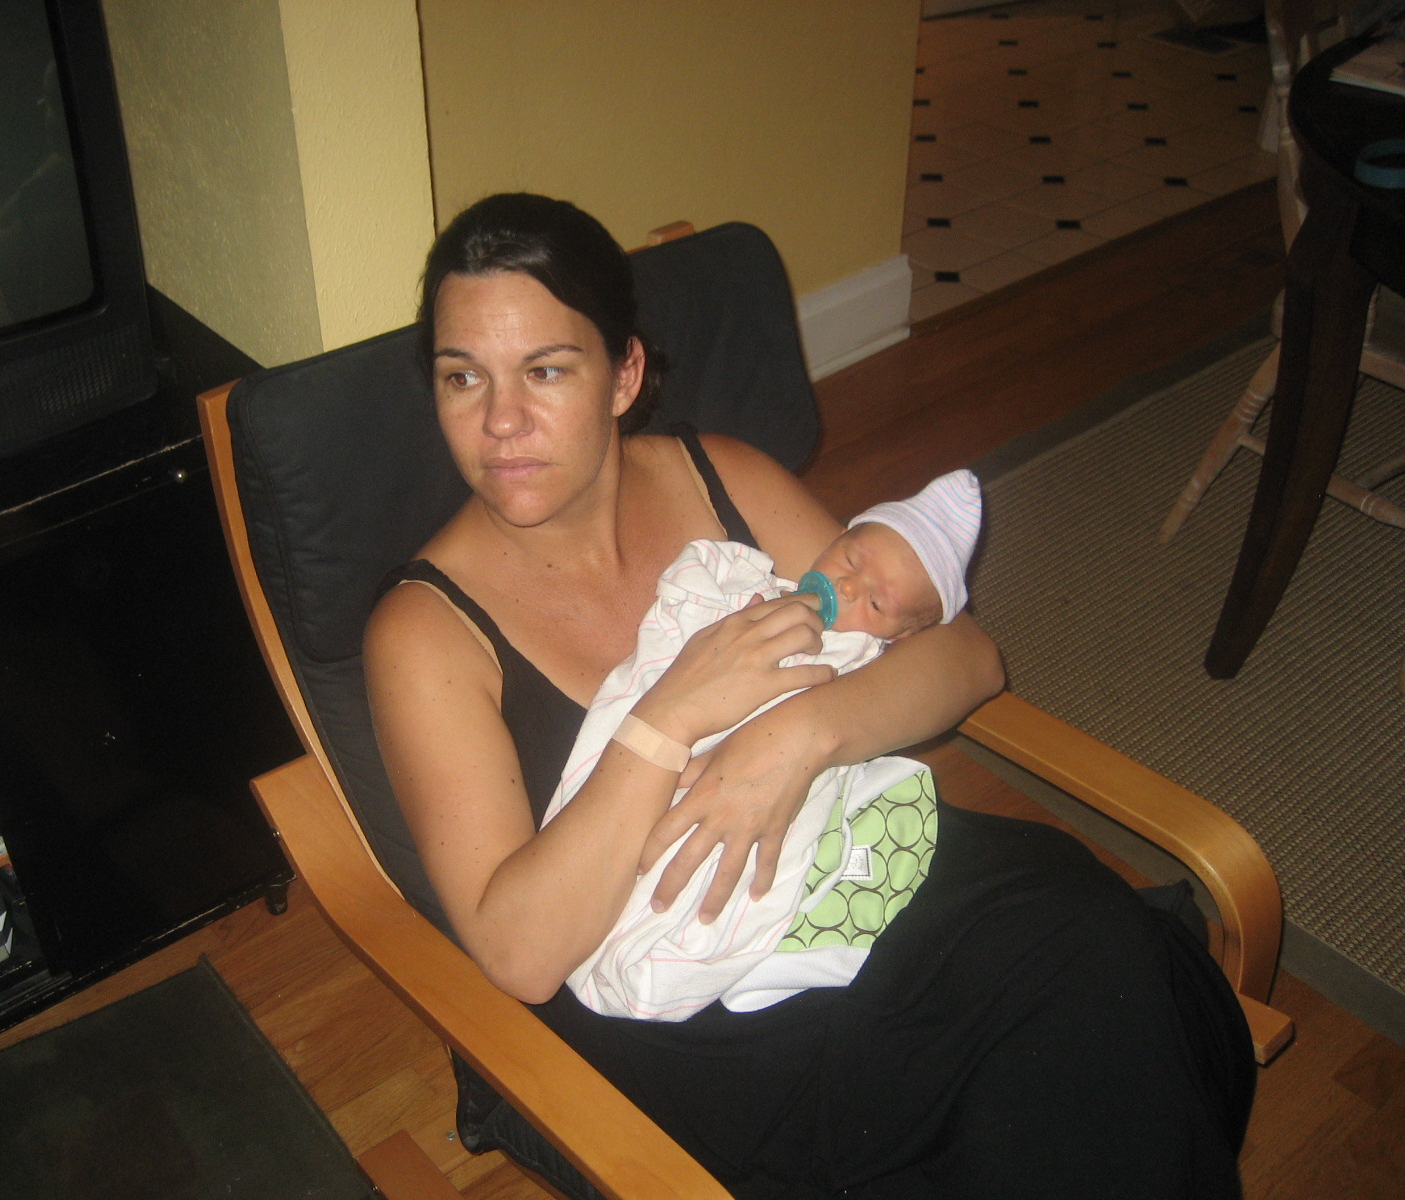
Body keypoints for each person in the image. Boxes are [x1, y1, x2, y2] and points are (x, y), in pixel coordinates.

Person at [364, 192, 1252, 1199]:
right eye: (462, 377)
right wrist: (670, 718)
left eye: (547, 370)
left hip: (864, 878)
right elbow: (519, 952)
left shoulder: (720, 479)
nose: (500, 422)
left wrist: (792, 738)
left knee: (1088, 952)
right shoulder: (425, 634)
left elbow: (964, 656)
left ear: (625, 375)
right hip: (704, 1014)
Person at [546, 471, 983, 1020]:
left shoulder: (862, 661)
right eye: (850, 559)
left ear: (898, 636)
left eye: (875, 601)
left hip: (770, 793)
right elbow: (690, 591)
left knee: (734, 875)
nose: (849, 587)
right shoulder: (752, 584)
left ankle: (685, 952)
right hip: (669, 749)